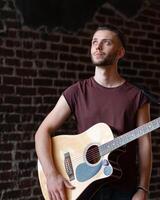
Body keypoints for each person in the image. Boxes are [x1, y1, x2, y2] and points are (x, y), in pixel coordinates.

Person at [35, 24, 152, 200]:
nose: (97, 47)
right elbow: (42, 132)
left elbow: (145, 145)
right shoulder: (77, 91)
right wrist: (51, 174)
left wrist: (143, 188)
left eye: (106, 43)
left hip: (122, 187)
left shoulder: (136, 96)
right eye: (94, 42)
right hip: (82, 187)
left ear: (120, 52)